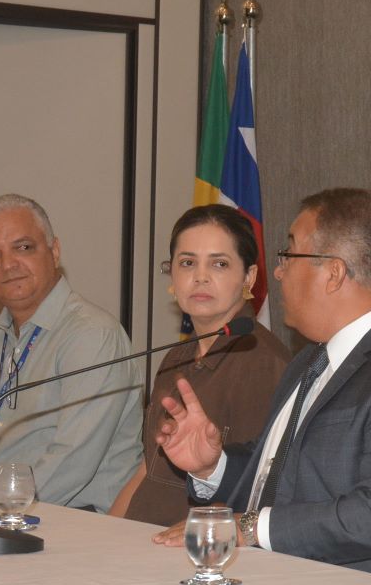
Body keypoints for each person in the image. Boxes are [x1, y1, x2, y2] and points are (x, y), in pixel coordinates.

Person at [153, 188, 371, 580]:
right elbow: (277, 476)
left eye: (289, 254)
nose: (278, 272)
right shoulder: (312, 359)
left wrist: (250, 528)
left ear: (334, 273)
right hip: (276, 580)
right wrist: (212, 465)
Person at [0, 194, 143, 512]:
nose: (7, 265)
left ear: (54, 252)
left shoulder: (92, 336)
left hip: (77, 522)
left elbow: (73, 462)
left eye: (23, 247)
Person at [108, 205, 290, 526]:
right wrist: (108, 531)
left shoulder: (264, 363)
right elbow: (147, 469)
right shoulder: (176, 356)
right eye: (187, 263)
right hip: (139, 534)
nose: (200, 277)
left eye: (219, 264)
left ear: (249, 277)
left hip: (198, 542)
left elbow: (256, 487)